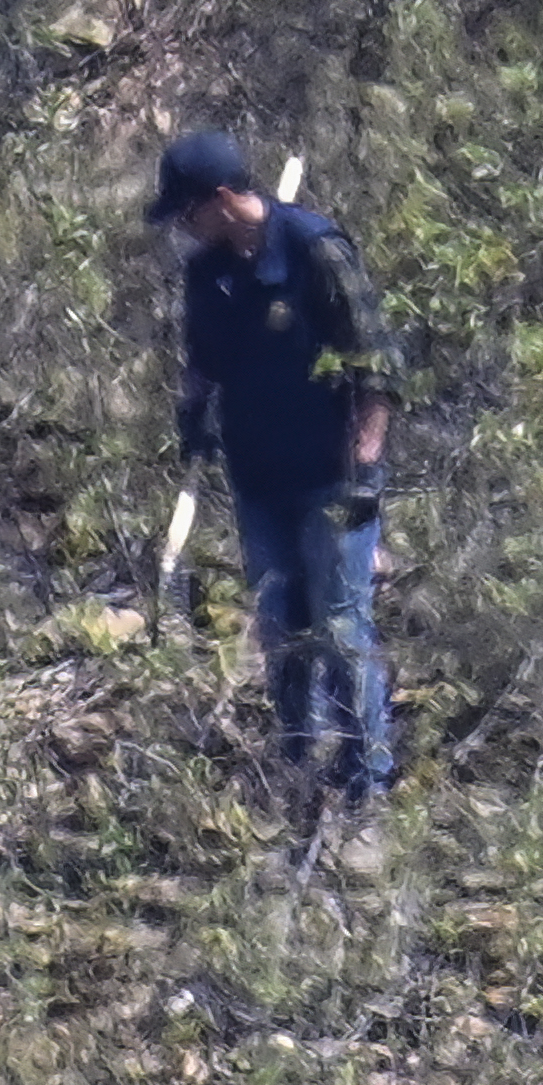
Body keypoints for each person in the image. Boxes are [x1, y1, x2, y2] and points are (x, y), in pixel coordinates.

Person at [149, 130, 400, 809]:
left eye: (188, 210)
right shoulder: (209, 274)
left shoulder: (315, 248)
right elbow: (202, 359)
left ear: (223, 199)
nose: (182, 225)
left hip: (332, 476)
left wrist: (365, 466)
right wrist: (193, 411)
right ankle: (295, 766)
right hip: (258, 478)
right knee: (280, 626)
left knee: (342, 629)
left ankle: (365, 783)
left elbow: (376, 363)